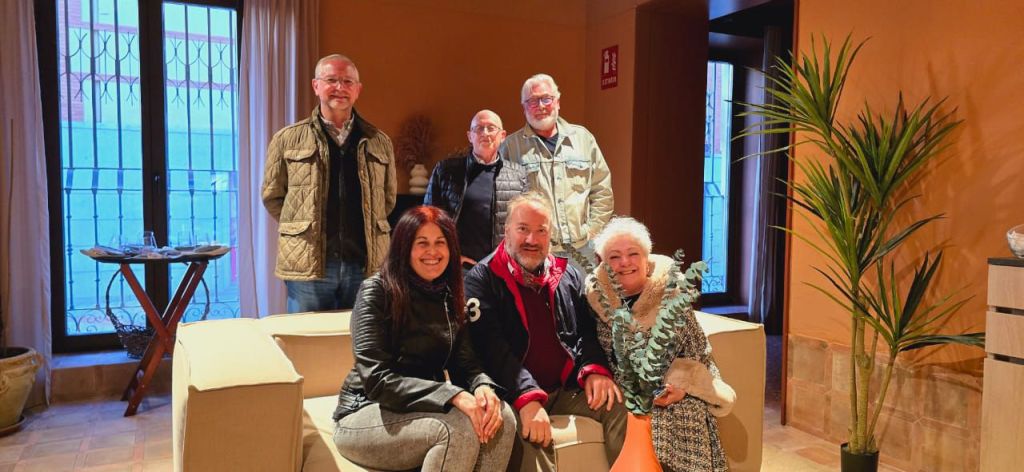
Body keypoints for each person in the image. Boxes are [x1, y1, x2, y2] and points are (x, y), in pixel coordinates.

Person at [332, 206, 516, 471]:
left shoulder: (451, 295)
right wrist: (452, 395)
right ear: (404, 248)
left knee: (502, 419)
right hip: (365, 411)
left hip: (425, 407)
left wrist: (482, 387)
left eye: (440, 242)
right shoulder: (376, 291)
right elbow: (376, 381)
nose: (433, 252)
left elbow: (467, 365)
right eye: (422, 243)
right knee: (456, 429)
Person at [464, 193, 626, 472]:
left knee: (618, 406)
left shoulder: (568, 275)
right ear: (507, 231)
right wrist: (527, 397)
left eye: (541, 231)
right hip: (511, 394)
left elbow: (585, 332)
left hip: (565, 390)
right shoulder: (482, 278)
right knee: (534, 439)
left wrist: (594, 369)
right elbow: (492, 349)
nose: (532, 239)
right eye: (523, 229)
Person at [586, 217, 736, 472]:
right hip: (627, 394)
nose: (625, 263)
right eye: (614, 257)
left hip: (677, 393)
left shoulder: (673, 298)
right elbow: (595, 356)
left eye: (633, 254)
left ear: (647, 261)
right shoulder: (594, 304)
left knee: (684, 413)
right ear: (604, 264)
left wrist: (683, 388)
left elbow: (700, 353)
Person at [262, 54, 396, 312]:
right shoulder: (286, 139)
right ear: (316, 86)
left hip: (364, 264)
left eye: (347, 81)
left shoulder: (379, 142)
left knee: (361, 335)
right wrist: (301, 224)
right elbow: (273, 196)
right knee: (305, 335)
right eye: (332, 80)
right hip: (308, 266)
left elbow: (387, 201)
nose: (340, 87)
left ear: (358, 90)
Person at [502, 74, 613, 267]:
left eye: (546, 98)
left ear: (558, 102)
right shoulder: (510, 147)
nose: (541, 106)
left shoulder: (583, 139)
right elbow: (503, 202)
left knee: (584, 289)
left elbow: (602, 190)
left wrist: (592, 231)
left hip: (581, 250)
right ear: (524, 107)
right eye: (533, 101)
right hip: (534, 251)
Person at [424, 109, 527, 266]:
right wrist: (450, 256)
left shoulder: (518, 175)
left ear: (502, 136)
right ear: (470, 136)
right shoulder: (446, 170)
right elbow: (428, 220)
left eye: (491, 128)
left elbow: (525, 225)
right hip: (458, 267)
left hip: (502, 267)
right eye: (479, 128)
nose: (485, 133)